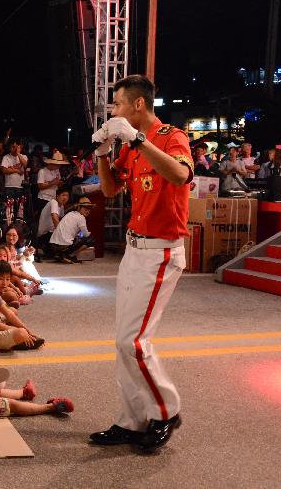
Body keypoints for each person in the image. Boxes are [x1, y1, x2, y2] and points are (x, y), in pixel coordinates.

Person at [92, 74, 191, 451]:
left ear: (137, 105)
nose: (113, 112)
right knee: (122, 343)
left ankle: (166, 411)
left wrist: (138, 140)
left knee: (134, 342)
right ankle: (131, 420)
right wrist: (103, 154)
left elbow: (181, 174)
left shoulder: (170, 136)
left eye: (117, 104)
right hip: (134, 250)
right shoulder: (130, 149)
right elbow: (110, 188)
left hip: (161, 251)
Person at [49, 197, 95, 264]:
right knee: (90, 239)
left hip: (52, 245)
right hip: (63, 246)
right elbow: (86, 234)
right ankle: (69, 255)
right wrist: (88, 233)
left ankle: (60, 254)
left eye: (89, 209)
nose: (87, 211)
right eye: (85, 209)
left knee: (76, 238)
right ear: (79, 208)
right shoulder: (81, 218)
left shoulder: (70, 213)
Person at [36, 187, 69, 260]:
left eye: (67, 196)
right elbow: (54, 217)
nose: (65, 198)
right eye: (63, 195)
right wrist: (61, 232)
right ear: (57, 196)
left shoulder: (61, 206)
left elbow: (62, 220)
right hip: (44, 235)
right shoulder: (53, 202)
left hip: (51, 234)